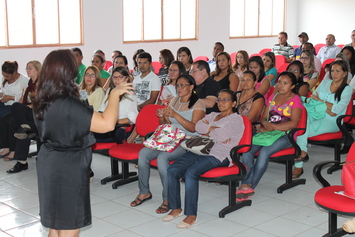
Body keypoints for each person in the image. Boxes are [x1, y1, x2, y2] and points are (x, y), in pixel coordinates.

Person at [32, 49, 133, 237]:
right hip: (68, 166)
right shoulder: (68, 103)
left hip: (48, 161)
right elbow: (106, 124)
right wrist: (113, 95)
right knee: (70, 225)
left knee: (56, 223)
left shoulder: (41, 98)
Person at [164, 89, 244, 228]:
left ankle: (191, 215)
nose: (221, 103)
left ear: (234, 103)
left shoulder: (237, 119)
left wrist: (209, 130)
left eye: (226, 100)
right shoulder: (213, 114)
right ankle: (176, 208)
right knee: (173, 170)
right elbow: (197, 127)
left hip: (220, 154)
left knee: (191, 173)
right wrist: (212, 129)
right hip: (200, 149)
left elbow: (220, 134)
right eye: (219, 99)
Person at [130, 74, 205, 214]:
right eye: (178, 85)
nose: (179, 88)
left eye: (183, 85)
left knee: (162, 158)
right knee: (143, 154)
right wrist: (162, 116)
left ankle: (168, 199)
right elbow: (165, 125)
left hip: (187, 140)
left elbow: (194, 128)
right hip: (170, 136)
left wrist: (176, 115)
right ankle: (144, 191)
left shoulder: (198, 104)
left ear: (191, 87)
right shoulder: (175, 100)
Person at [237, 72, 303, 199]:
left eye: (285, 83)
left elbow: (294, 123)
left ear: (293, 86)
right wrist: (266, 124)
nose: (281, 86)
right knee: (247, 150)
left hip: (285, 135)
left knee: (264, 153)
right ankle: (245, 184)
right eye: (279, 82)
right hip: (268, 133)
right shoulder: (273, 97)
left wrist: (275, 127)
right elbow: (263, 118)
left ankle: (250, 185)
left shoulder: (296, 100)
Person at [293, 60, 352, 178]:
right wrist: (327, 106)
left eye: (338, 71)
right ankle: (301, 154)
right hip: (315, 113)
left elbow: (337, 110)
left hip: (332, 121)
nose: (334, 74)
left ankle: (298, 165)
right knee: (302, 124)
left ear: (345, 73)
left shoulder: (347, 89)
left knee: (301, 131)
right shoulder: (325, 83)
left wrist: (322, 103)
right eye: (332, 71)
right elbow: (314, 97)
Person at [0, 60, 40, 164]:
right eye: (27, 68)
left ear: (38, 69)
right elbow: (23, 99)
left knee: (14, 122)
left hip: (35, 111)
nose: (27, 70)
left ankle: (14, 150)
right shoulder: (29, 83)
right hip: (24, 109)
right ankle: (10, 148)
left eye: (30, 68)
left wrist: (13, 100)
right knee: (10, 117)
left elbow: (40, 102)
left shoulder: (40, 83)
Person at [96, 66, 138, 143]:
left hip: (118, 129)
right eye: (114, 77)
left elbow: (132, 119)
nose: (117, 80)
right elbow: (101, 109)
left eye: (120, 77)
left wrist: (113, 121)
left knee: (89, 139)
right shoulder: (110, 91)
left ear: (126, 78)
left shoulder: (130, 94)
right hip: (105, 126)